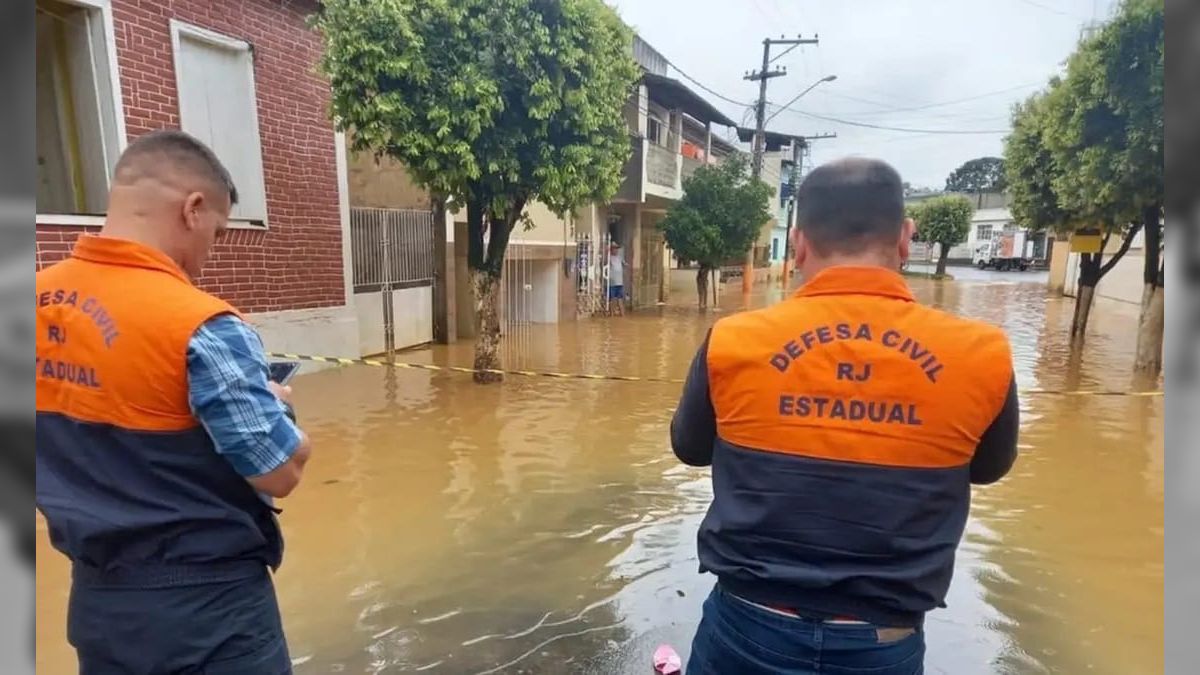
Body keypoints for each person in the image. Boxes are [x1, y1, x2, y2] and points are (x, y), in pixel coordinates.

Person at [671, 158, 1018, 675]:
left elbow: (690, 448)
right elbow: (988, 469)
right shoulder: (982, 354)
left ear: (798, 242)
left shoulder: (733, 341)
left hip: (747, 630)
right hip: (884, 641)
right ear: (905, 238)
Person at [35, 130, 311, 674]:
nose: (212, 252)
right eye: (218, 231)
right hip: (209, 612)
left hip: (98, 605)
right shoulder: (200, 324)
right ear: (193, 209)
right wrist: (277, 405)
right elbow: (279, 471)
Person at [608, 241, 625, 315]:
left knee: (620, 299)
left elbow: (624, 264)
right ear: (611, 250)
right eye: (614, 249)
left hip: (619, 282)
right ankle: (612, 314)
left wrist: (626, 265)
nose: (616, 250)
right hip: (613, 282)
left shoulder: (619, 257)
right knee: (613, 299)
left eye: (617, 249)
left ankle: (623, 314)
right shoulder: (609, 258)